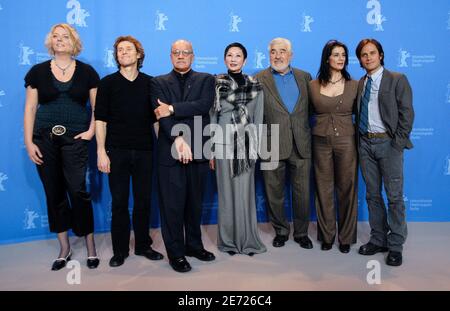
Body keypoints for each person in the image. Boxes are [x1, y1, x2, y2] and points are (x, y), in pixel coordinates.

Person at [23, 23, 99, 270]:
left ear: (73, 41)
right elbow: (30, 109)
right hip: (44, 139)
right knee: (54, 192)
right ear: (50, 41)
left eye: (65, 36)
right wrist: (28, 141)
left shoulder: (87, 72)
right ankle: (64, 248)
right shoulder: (37, 72)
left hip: (76, 139)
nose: (59, 40)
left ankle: (90, 247)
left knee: (78, 191)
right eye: (55, 36)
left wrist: (90, 131)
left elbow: (98, 108)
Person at [95, 36, 163, 268]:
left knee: (144, 201)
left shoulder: (151, 82)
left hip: (145, 151)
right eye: (119, 50)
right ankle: (120, 250)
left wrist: (164, 147)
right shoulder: (107, 83)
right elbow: (100, 120)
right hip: (116, 151)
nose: (123, 53)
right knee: (119, 202)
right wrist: (101, 152)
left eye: (128, 49)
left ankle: (143, 245)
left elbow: (156, 120)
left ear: (139, 54)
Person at [152, 39, 216, 273]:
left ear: (192, 56)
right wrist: (178, 138)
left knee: (194, 205)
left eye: (185, 52)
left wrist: (172, 107)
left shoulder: (206, 79)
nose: (181, 56)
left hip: (199, 151)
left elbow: (203, 105)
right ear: (170, 56)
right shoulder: (157, 82)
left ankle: (194, 246)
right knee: (172, 207)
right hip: (170, 152)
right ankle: (176, 254)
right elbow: (160, 115)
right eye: (176, 53)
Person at [355, 38, 414, 266]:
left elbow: (407, 114)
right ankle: (378, 238)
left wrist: (397, 144)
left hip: (389, 145)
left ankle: (396, 244)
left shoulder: (397, 79)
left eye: (372, 53)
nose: (368, 57)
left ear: (380, 55)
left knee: (394, 197)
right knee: (372, 195)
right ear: (360, 59)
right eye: (363, 54)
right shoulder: (361, 82)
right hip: (365, 144)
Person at [256, 38, 313, 249]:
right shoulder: (258, 79)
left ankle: (301, 233)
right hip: (270, 144)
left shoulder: (305, 77)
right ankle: (280, 231)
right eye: (273, 51)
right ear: (268, 54)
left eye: (282, 51)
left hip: (301, 143)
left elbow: (312, 110)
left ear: (291, 55)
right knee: (274, 192)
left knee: (302, 193)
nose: (278, 56)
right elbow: (253, 114)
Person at [210, 42, 266, 256]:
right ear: (225, 59)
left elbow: (259, 116)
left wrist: (258, 147)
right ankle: (228, 242)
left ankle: (248, 240)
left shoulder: (255, 85)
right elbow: (212, 117)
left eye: (238, 55)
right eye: (230, 55)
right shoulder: (216, 83)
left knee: (245, 193)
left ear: (245, 60)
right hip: (223, 142)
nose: (233, 59)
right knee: (226, 194)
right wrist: (211, 150)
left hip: (246, 143)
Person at [309, 40, 358, 253]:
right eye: (336, 54)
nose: (340, 59)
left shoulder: (355, 85)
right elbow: (305, 113)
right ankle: (327, 235)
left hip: (347, 141)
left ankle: (345, 237)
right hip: (319, 141)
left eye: (343, 55)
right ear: (327, 57)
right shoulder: (312, 85)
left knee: (347, 188)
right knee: (323, 188)